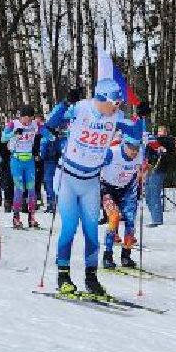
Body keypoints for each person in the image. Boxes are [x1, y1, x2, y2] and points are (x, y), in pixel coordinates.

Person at [43, 79, 124, 297]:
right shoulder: (81, 108)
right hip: (67, 178)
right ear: (102, 99)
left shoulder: (116, 117)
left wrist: (142, 120)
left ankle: (91, 277)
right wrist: (65, 102)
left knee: (91, 232)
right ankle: (63, 276)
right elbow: (48, 126)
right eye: (115, 102)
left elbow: (135, 136)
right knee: (69, 227)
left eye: (119, 102)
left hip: (90, 182)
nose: (117, 106)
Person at [99, 131, 146, 270]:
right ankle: (107, 256)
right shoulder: (112, 153)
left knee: (130, 221)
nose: (134, 152)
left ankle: (126, 255)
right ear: (124, 144)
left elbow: (142, 168)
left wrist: (142, 175)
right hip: (108, 189)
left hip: (127, 190)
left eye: (137, 148)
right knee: (114, 217)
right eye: (131, 148)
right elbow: (95, 166)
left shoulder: (140, 153)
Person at [1, 108, 43, 228]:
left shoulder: (35, 124)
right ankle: (16, 217)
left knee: (31, 190)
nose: (28, 122)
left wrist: (52, 135)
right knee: (19, 189)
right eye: (26, 120)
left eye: (30, 120)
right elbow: (3, 138)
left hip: (29, 161)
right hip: (16, 160)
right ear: (21, 116)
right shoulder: (13, 123)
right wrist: (13, 133)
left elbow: (47, 132)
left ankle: (32, 217)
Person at [145, 125, 174, 227]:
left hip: (158, 169)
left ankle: (156, 219)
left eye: (163, 130)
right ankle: (154, 213)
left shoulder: (168, 141)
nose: (160, 132)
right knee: (148, 194)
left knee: (154, 194)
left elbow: (167, 153)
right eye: (159, 130)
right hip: (149, 168)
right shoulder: (152, 141)